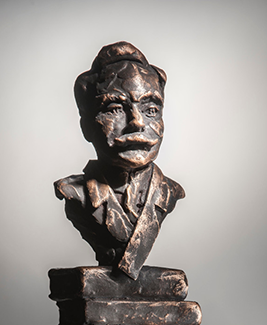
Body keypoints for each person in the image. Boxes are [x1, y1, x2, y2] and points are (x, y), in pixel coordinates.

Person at [55, 42, 185, 280]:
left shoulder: (170, 191)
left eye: (151, 110)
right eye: (115, 109)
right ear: (86, 127)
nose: (137, 122)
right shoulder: (74, 192)